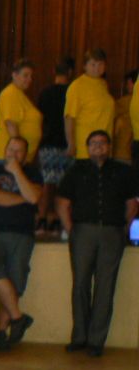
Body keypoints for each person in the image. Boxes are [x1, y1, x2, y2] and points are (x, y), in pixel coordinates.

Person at [55, 130, 139, 357]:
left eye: (102, 143)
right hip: (83, 232)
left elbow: (132, 203)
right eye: (93, 143)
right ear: (87, 147)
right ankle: (79, 337)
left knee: (105, 286)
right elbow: (62, 202)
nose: (98, 146)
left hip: (112, 232)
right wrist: (72, 230)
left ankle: (96, 341)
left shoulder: (123, 172)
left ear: (109, 147)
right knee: (80, 284)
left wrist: (123, 228)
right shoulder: (76, 170)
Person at [0, 137, 42, 350]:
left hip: (22, 234)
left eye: (19, 151)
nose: (13, 154)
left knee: (14, 282)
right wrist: (24, 198)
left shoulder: (32, 173)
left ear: (26, 154)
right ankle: (18, 318)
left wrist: (17, 172)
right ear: (4, 150)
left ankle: (1, 333)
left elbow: (34, 197)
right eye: (10, 149)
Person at [36, 56, 75, 234]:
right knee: (63, 185)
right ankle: (59, 220)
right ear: (70, 72)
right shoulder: (72, 92)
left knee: (47, 183)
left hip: (48, 143)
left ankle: (42, 219)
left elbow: (40, 118)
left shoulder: (45, 92)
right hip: (66, 143)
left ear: (54, 72)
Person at [64, 49, 115, 160]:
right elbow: (69, 117)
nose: (97, 68)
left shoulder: (103, 84)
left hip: (104, 145)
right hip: (86, 147)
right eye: (93, 64)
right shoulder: (77, 86)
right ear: (85, 66)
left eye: (101, 64)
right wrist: (71, 144)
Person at [0, 59, 42, 164]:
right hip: (10, 155)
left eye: (31, 76)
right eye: (25, 75)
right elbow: (11, 124)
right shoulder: (10, 94)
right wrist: (18, 152)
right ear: (14, 75)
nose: (30, 79)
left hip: (18, 156)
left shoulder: (19, 94)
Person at [113, 69, 137, 163]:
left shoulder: (127, 101)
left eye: (128, 83)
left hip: (123, 151)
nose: (127, 86)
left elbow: (110, 112)